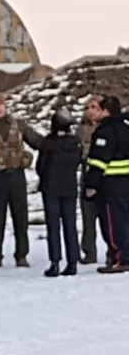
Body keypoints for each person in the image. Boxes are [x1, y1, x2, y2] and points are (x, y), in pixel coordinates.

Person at [0, 91, 44, 268]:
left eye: (0, 104)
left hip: (17, 175)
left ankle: (21, 255)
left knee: (21, 218)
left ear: (5, 104)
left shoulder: (19, 125)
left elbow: (38, 142)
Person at [84, 96, 129, 274]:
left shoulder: (106, 131)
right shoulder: (126, 126)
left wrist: (91, 184)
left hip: (112, 183)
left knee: (114, 222)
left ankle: (121, 258)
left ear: (105, 111)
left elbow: (99, 160)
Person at [35, 107, 82, 277]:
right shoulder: (75, 141)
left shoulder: (49, 142)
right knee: (70, 225)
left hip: (51, 187)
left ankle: (55, 261)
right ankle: (73, 261)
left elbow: (40, 165)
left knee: (53, 226)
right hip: (69, 186)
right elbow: (77, 162)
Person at [76, 96, 115, 266]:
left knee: (108, 218)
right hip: (87, 170)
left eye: (94, 107)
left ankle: (112, 251)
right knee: (88, 216)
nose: (90, 111)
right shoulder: (80, 129)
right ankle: (89, 251)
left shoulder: (109, 128)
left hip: (106, 174)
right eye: (87, 107)